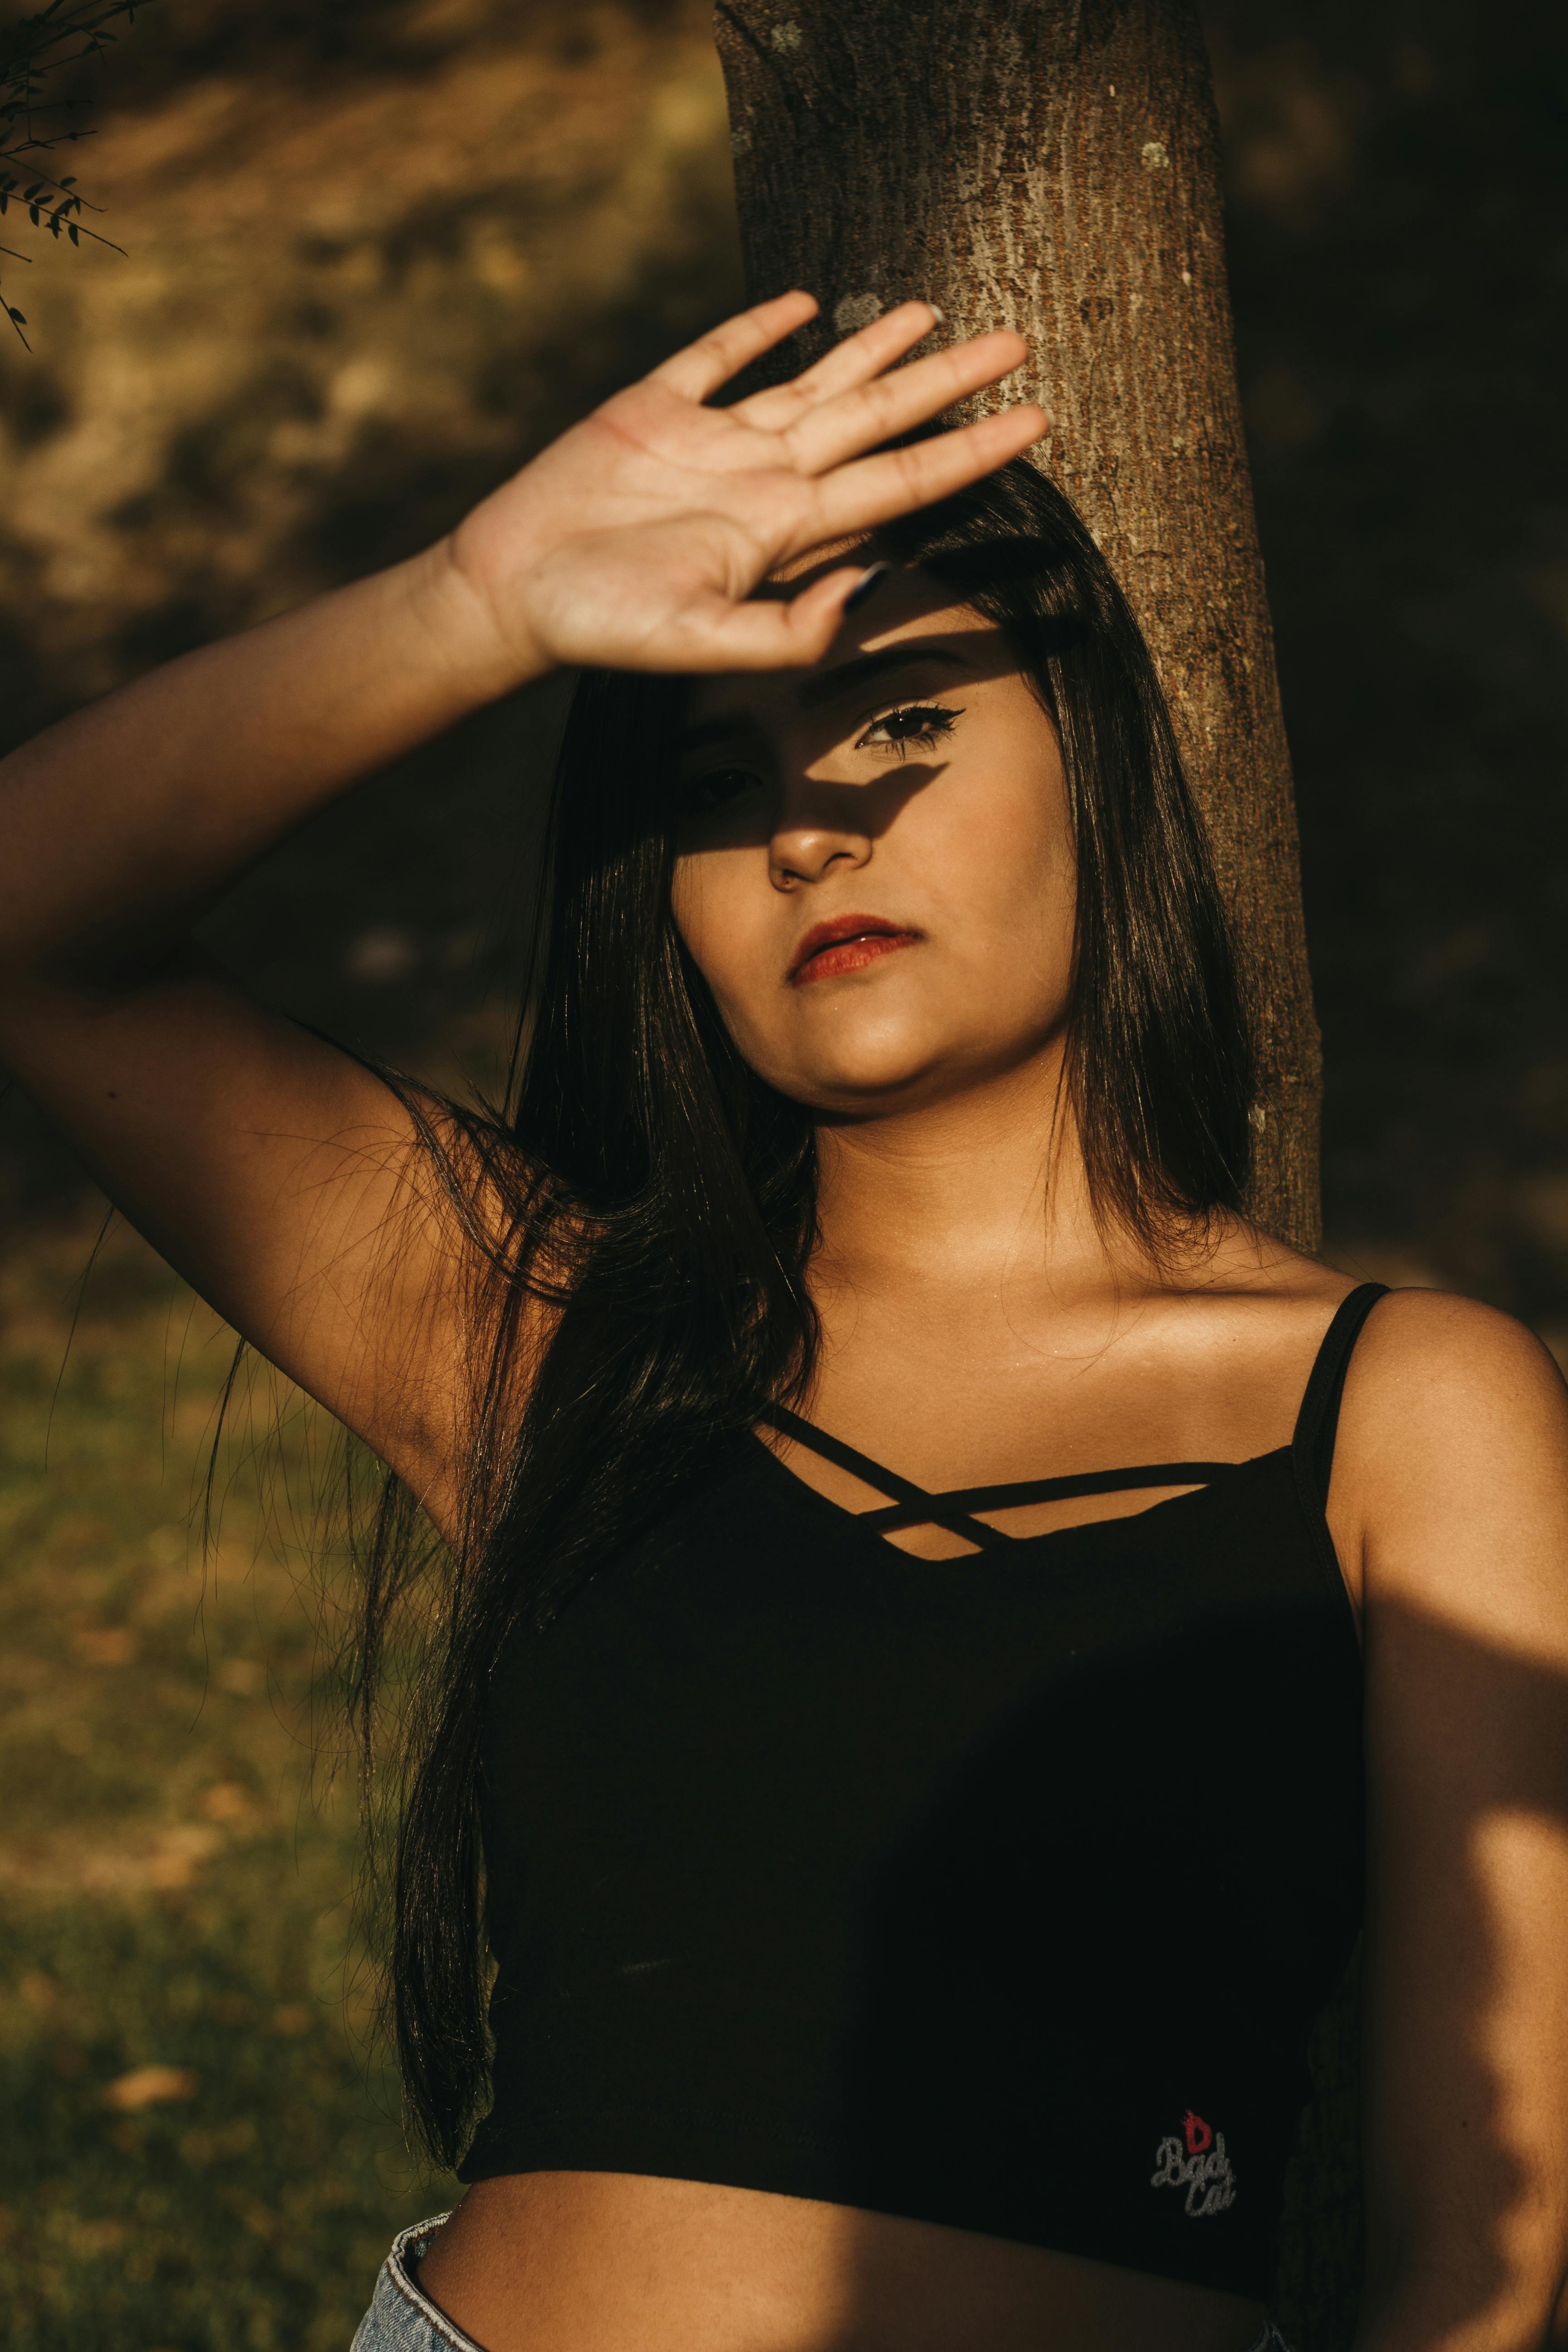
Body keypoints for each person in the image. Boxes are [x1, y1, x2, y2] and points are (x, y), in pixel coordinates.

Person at [2, 290, 1566, 2352]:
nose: (812, 825)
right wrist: (479, 603)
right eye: (722, 787)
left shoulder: (1405, 1406)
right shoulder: (552, 1335)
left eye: (907, 722)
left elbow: (1487, 2267)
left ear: (1093, 770)